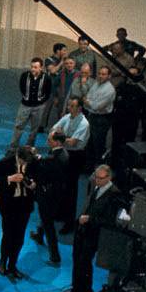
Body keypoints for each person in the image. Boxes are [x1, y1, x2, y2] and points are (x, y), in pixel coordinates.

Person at [65, 165, 123, 292]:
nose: (96, 180)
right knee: (77, 259)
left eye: (100, 178)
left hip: (94, 235)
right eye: (95, 177)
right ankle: (77, 288)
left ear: (109, 178)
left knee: (85, 263)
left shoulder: (114, 195)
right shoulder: (96, 187)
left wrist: (90, 219)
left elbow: (110, 220)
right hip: (83, 230)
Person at [0, 146, 38, 279]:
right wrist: (9, 179)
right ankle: (3, 262)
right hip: (8, 204)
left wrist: (34, 184)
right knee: (8, 234)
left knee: (19, 237)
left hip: (25, 204)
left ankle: (13, 265)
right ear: (18, 156)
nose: (24, 164)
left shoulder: (32, 162)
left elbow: (38, 176)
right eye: (23, 162)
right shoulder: (5, 163)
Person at [52, 96, 91, 233]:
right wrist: (62, 137)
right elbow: (53, 130)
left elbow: (73, 142)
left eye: (72, 106)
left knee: (70, 189)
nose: (69, 108)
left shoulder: (84, 124)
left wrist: (61, 137)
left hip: (76, 156)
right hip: (65, 153)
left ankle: (69, 222)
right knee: (61, 185)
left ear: (79, 108)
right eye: (69, 105)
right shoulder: (67, 117)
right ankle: (60, 213)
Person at [29, 132, 68, 265]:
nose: (47, 141)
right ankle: (40, 236)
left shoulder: (55, 158)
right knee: (45, 217)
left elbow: (45, 169)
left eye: (50, 139)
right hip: (55, 194)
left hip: (48, 195)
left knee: (48, 223)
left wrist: (35, 157)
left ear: (57, 142)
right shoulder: (62, 154)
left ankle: (55, 256)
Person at [9, 57, 52, 149]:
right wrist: (26, 98)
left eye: (35, 67)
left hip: (39, 107)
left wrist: (40, 101)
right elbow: (22, 88)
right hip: (25, 106)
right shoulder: (25, 76)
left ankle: (29, 146)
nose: (33, 69)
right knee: (18, 126)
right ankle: (13, 146)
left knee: (34, 129)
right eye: (32, 67)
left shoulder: (46, 78)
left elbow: (48, 93)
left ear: (41, 68)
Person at [84, 66, 116, 168]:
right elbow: (87, 98)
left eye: (103, 74)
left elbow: (96, 106)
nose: (101, 76)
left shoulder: (110, 90)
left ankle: (98, 168)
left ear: (109, 76)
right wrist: (90, 103)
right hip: (92, 116)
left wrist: (90, 103)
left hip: (102, 119)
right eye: (99, 73)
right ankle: (88, 165)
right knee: (89, 142)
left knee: (98, 144)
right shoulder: (96, 84)